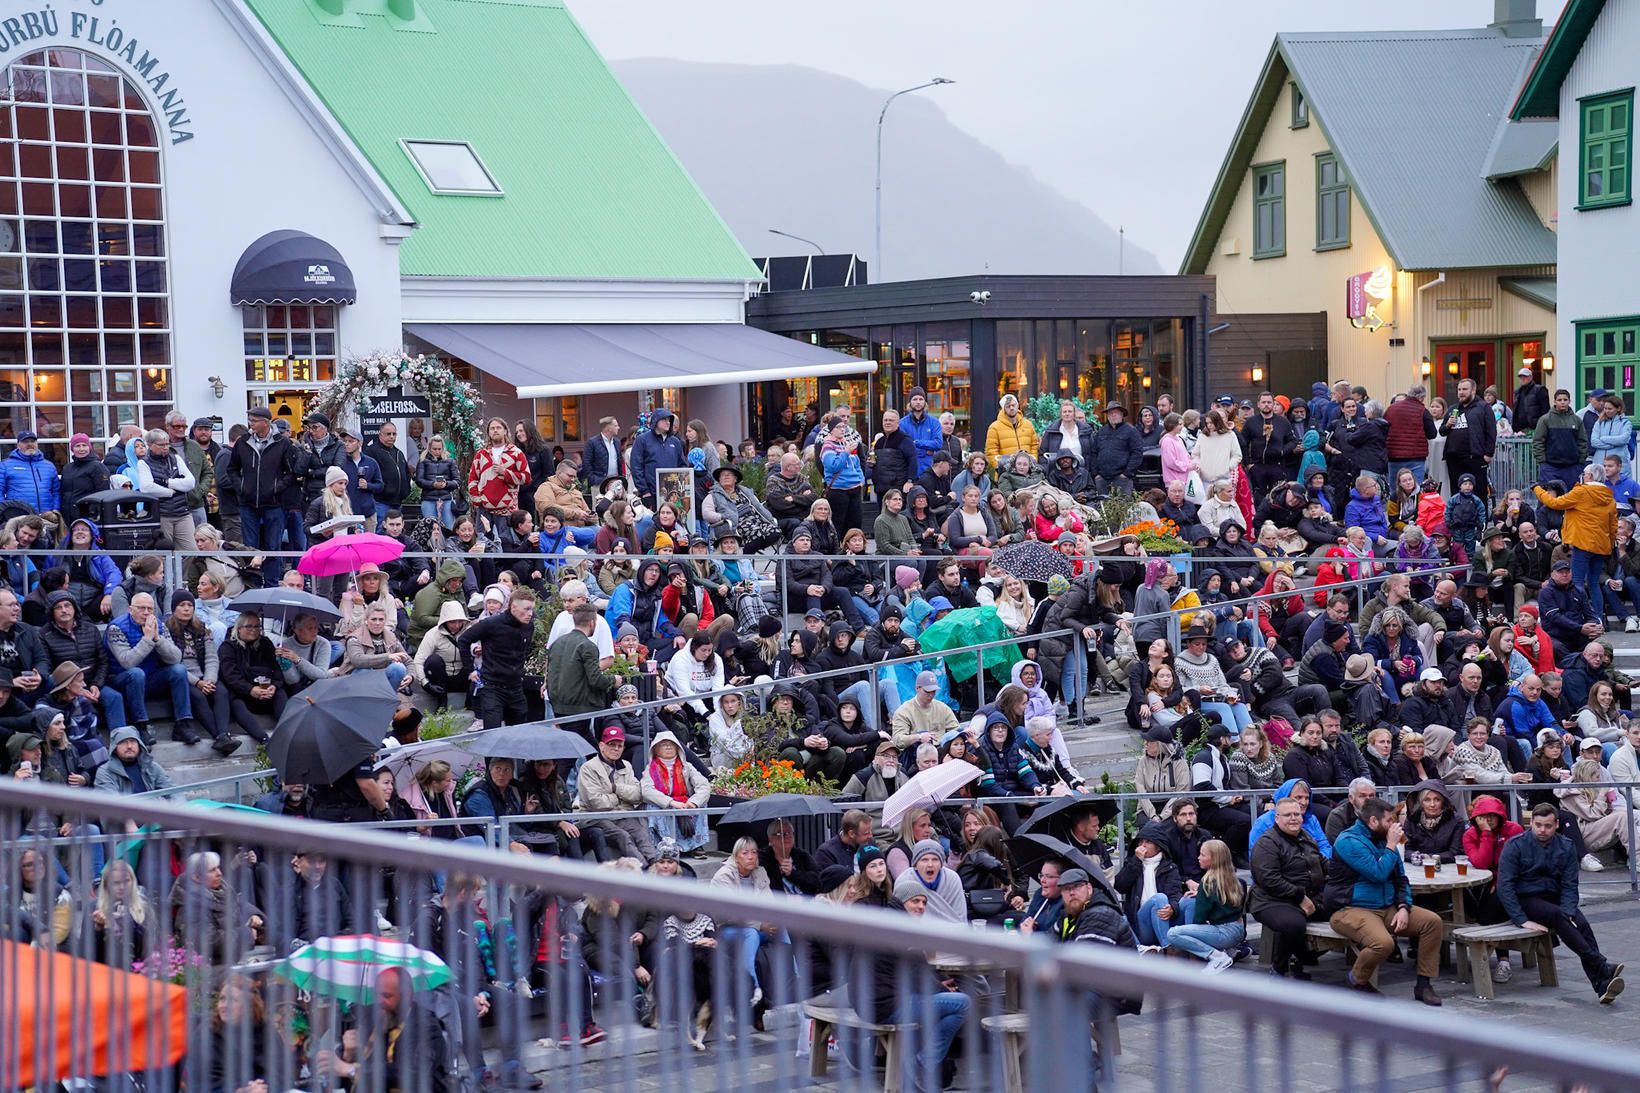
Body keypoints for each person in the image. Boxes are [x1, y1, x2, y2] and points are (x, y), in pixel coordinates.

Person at [1498, 803, 1626, 1003]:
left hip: (1555, 897)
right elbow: (1505, 886)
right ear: (1530, 822)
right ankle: (1600, 964)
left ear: (1556, 824)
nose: (1542, 830)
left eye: (1548, 826)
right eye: (1538, 825)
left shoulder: (1566, 845)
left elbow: (1570, 884)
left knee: (1581, 924)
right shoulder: (1515, 846)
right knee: (1558, 916)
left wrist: (1568, 911)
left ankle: (1601, 985)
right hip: (1528, 899)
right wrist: (1520, 919)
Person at [1324, 797, 1445, 1004]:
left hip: (1386, 906)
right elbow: (1377, 873)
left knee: (1431, 922)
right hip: (1350, 909)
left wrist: (1404, 907)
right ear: (1373, 821)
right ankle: (1357, 980)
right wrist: (1391, 845)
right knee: (1383, 943)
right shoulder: (1348, 841)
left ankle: (1424, 984)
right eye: (1389, 820)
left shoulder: (1384, 839)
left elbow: (1400, 878)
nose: (1394, 825)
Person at [106, 591, 197, 746]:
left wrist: (157, 638)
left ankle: (183, 724)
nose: (146, 613)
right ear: (130, 609)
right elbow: (127, 662)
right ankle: (141, 725)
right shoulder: (116, 627)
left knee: (178, 670)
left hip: (150, 677)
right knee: (136, 673)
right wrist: (147, 639)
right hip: (121, 679)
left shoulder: (159, 625)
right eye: (141, 608)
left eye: (150, 609)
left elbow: (175, 658)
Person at [1534, 472, 1618, 621]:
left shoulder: (1581, 492)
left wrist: (1538, 490)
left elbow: (1555, 503)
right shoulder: (1608, 496)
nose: (1582, 476)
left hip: (1582, 542)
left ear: (1590, 476)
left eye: (1584, 474)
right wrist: (1609, 546)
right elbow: (1613, 526)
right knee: (1593, 583)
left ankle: (1578, 617)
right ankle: (1597, 619)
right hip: (1601, 546)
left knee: (1577, 582)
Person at [456, 586, 537, 729]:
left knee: (520, 734)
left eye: (532, 609)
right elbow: (463, 640)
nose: (530, 614)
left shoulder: (528, 627)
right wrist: (470, 670)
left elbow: (523, 652)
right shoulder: (492, 624)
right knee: (492, 733)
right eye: (526, 609)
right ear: (513, 607)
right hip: (492, 687)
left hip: (516, 687)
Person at [576, 723, 657, 863]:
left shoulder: (626, 765)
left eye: (619, 745)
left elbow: (638, 795)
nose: (616, 749)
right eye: (611, 744)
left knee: (641, 833)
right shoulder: (588, 768)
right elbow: (596, 803)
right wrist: (621, 798)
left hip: (622, 815)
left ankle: (656, 864)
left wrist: (615, 788)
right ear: (601, 746)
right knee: (623, 836)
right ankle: (643, 869)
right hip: (596, 818)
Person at [1163, 839, 1245, 973]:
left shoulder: (1207, 882)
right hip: (1238, 930)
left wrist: (1201, 896)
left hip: (1223, 932)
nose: (1198, 858)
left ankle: (1217, 957)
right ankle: (1225, 952)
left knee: (1173, 934)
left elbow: (1199, 918)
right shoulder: (1231, 878)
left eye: (1203, 855)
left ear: (1214, 859)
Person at [1114, 819, 1184, 950]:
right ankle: (1167, 948)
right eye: (1141, 841)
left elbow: (1175, 894)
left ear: (1158, 845)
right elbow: (1119, 885)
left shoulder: (1169, 867)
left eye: (1148, 842)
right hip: (1141, 925)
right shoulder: (1133, 864)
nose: (1143, 845)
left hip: (1162, 920)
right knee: (1158, 898)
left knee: (1161, 899)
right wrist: (1136, 861)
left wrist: (1173, 908)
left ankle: (1165, 948)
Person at [1441, 377, 1497, 502]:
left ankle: (1480, 520)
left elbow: (1491, 432)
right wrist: (1448, 425)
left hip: (1475, 457)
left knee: (1479, 491)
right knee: (1456, 492)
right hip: (1454, 458)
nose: (1461, 392)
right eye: (1459, 389)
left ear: (1473, 391)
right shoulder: (1453, 409)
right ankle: (1458, 518)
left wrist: (1488, 454)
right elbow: (1442, 431)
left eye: (1465, 389)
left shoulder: (1483, 407)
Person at [92, 725, 175, 797]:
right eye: (123, 742)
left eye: (133, 741)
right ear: (115, 747)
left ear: (139, 745)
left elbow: (174, 793)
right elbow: (112, 806)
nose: (129, 746)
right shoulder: (105, 772)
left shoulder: (152, 767)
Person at [0, 430, 60, 513]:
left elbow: (56, 492)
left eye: (33, 441)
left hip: (46, 517)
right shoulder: (5, 465)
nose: (30, 444)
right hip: (19, 518)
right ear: (18, 445)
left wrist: (55, 510)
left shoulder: (49, 466)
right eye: (25, 442)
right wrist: (5, 512)